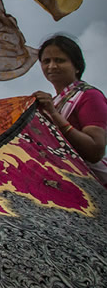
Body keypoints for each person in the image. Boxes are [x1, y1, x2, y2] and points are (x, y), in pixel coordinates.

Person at [33, 34, 107, 188]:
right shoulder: (53, 102)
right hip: (65, 183)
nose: (52, 66)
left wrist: (54, 115)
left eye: (60, 60)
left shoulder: (90, 96)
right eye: (46, 61)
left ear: (77, 65)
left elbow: (95, 151)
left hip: (95, 187)